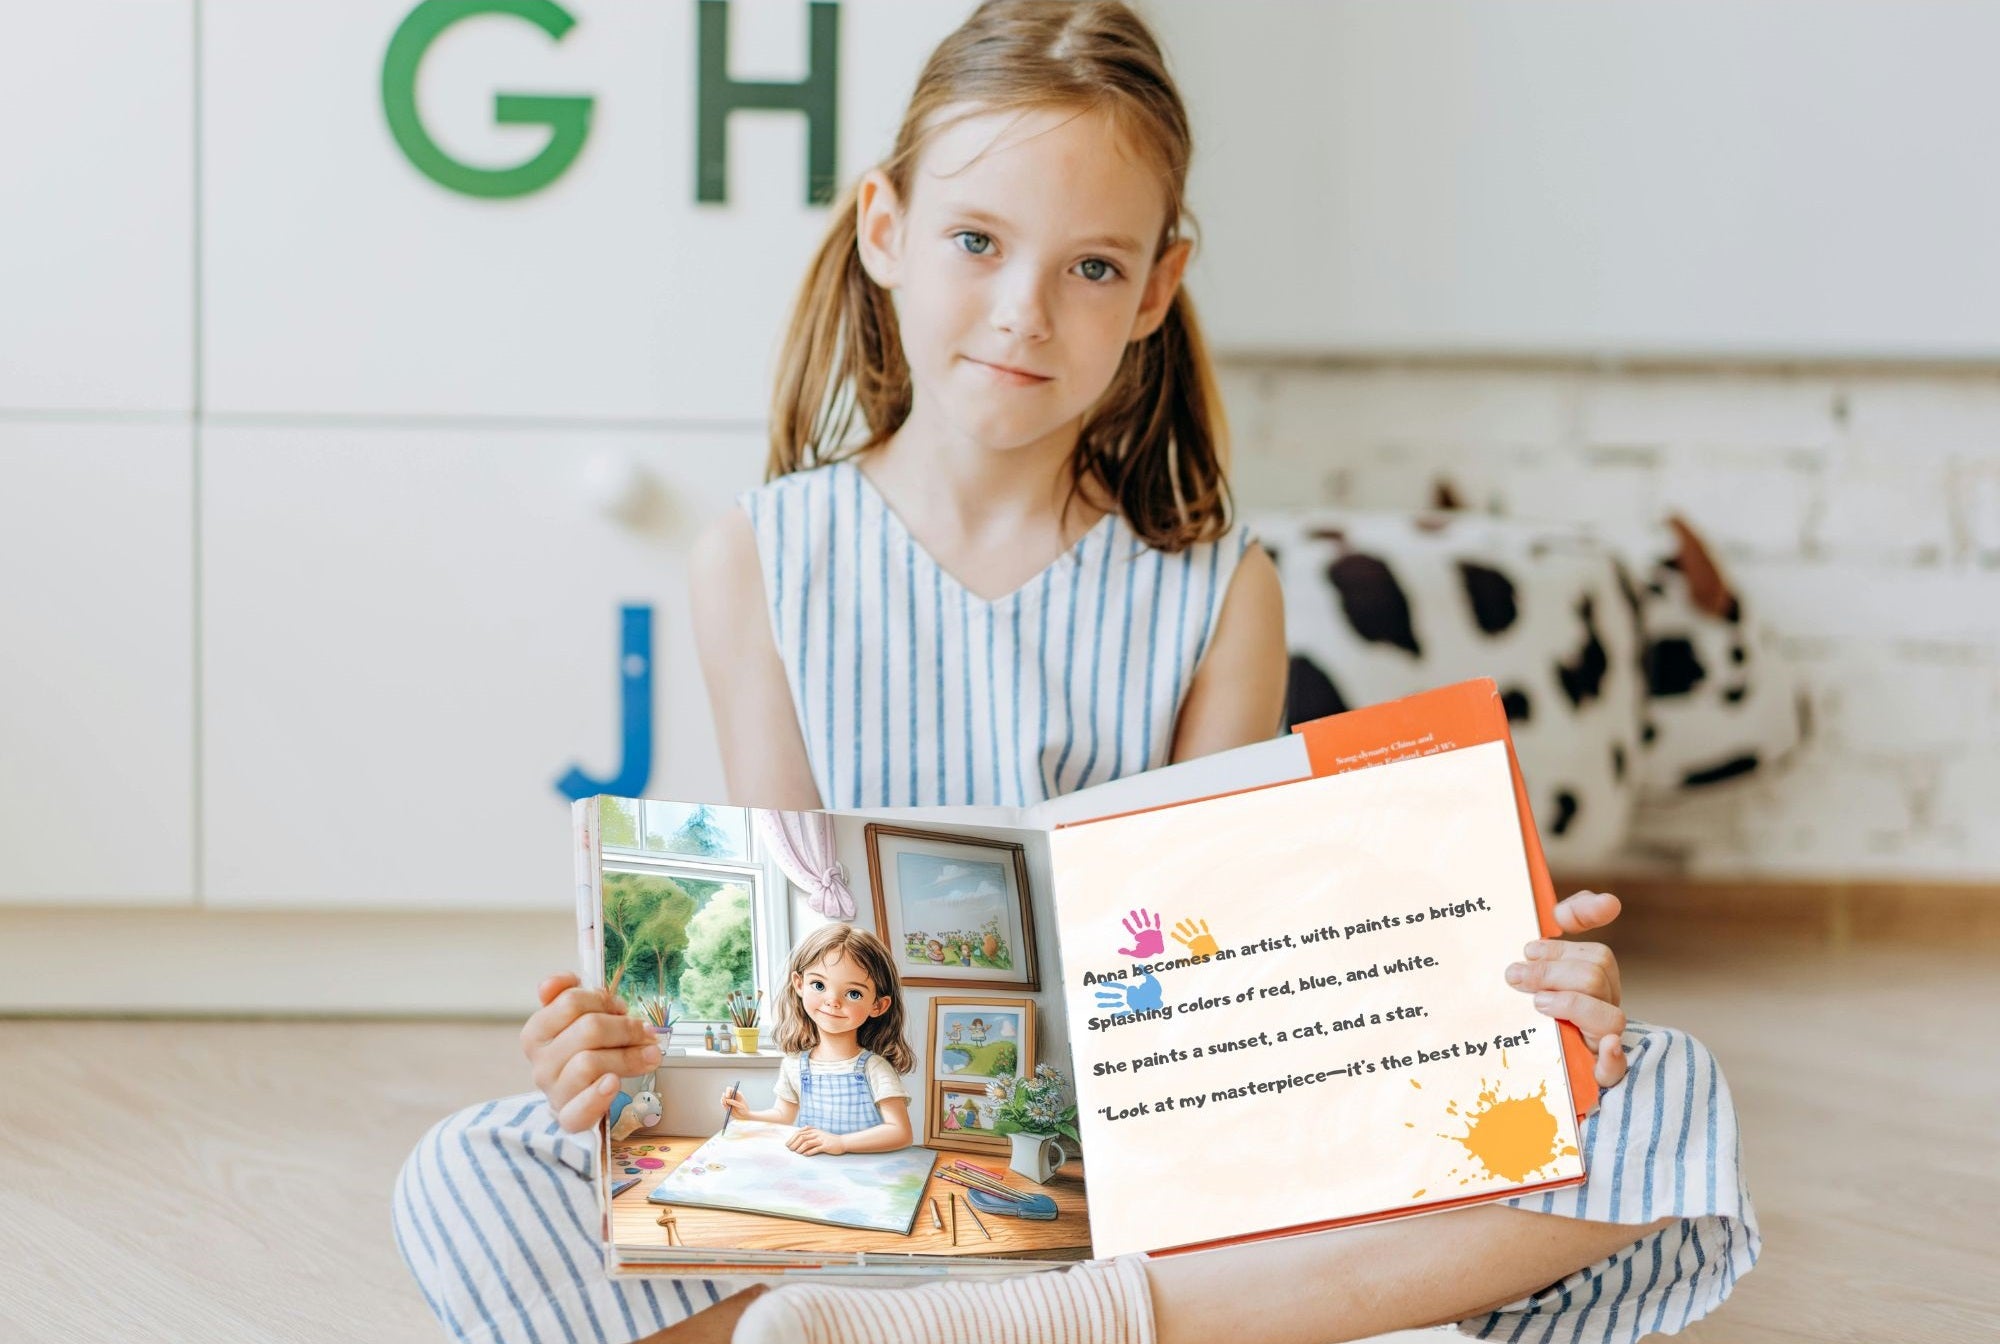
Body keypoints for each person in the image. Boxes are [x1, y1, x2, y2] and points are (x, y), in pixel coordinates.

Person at [395, 3, 1756, 1342]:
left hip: (1153, 1156)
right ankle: (1148, 1318)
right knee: (467, 1179)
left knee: (1658, 1092)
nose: (1023, 312)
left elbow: (1251, 984)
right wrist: (633, 1066)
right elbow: (786, 955)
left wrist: (1502, 1002)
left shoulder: (1220, 591)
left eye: (1091, 269)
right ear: (886, 230)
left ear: (1158, 286)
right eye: (976, 242)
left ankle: (1052, 1320)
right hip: (865, 1143)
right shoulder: (758, 557)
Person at [717, 925, 916, 1157]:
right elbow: (783, 1116)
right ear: (799, 984)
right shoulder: (793, 1064)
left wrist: (841, 1143)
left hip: (865, 1175)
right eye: (819, 985)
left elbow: (900, 1133)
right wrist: (748, 1115)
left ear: (878, 1005)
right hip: (814, 1174)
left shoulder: (874, 1067)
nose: (832, 1001)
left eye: (854, 993)